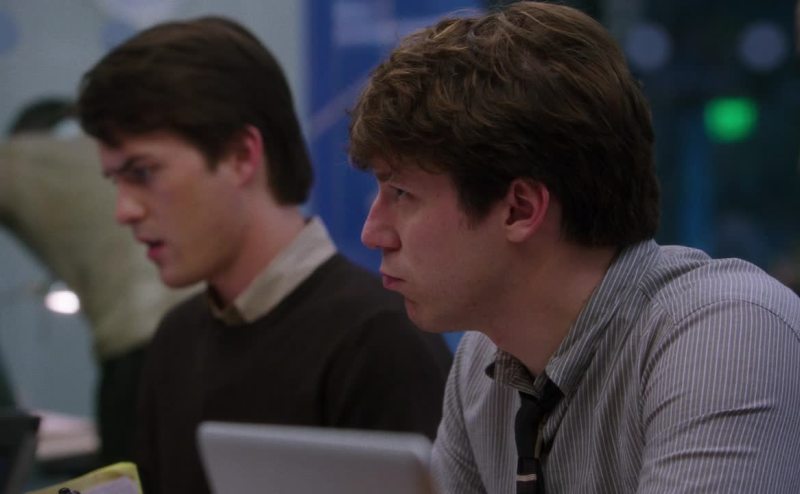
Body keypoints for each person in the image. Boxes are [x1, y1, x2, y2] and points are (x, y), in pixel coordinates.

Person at [350, 2, 800, 493]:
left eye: (401, 193)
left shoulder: (726, 333)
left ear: (520, 209)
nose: (373, 233)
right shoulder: (485, 363)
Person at [76, 16, 452, 494]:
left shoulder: (380, 341)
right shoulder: (175, 339)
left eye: (143, 173)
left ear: (240, 155)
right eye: (116, 180)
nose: (124, 210)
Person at [0, 97, 196, 464]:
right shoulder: (125, 154)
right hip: (203, 332)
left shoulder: (18, 159)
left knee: (128, 477)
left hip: (136, 347)